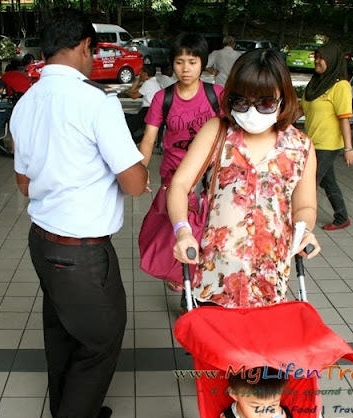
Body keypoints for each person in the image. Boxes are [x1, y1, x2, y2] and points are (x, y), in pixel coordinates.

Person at [10, 8, 147, 418]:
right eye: (94, 50)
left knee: (62, 335)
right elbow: (135, 184)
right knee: (101, 341)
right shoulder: (96, 103)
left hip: (43, 242)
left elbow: (24, 184)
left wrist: (63, 177)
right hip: (82, 254)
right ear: (85, 46)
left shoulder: (25, 103)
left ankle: (71, 411)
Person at [168, 49, 320, 308]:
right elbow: (180, 185)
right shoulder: (217, 132)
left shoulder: (300, 146)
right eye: (242, 102)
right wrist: (182, 233)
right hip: (215, 278)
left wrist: (304, 231)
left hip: (269, 282)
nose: (252, 112)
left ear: (283, 98)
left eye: (265, 103)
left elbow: (305, 205)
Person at [138, 32, 224, 187]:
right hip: (172, 177)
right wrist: (142, 171)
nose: (186, 69)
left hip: (209, 178)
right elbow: (149, 139)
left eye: (192, 62)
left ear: (202, 64)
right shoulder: (162, 98)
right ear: (172, 64)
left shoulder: (217, 95)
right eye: (179, 62)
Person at [301, 44, 353, 230]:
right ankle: (342, 217)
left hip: (328, 144)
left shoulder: (340, 85)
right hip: (311, 142)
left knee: (308, 182)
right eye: (316, 57)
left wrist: (348, 148)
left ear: (331, 60)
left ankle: (299, 222)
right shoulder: (315, 83)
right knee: (328, 181)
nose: (317, 61)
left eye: (321, 58)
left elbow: (344, 119)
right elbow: (301, 109)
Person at [217, 367, 291, 418]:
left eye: (273, 405)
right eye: (256, 406)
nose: (265, 413)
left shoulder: (281, 416)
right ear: (234, 394)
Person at [124, 64, 160, 139]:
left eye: (141, 72)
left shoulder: (148, 83)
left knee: (129, 124)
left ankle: (133, 140)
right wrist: (139, 80)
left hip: (148, 111)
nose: (139, 74)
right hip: (151, 110)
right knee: (127, 116)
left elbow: (134, 96)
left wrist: (127, 92)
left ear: (145, 74)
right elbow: (133, 91)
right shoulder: (153, 82)